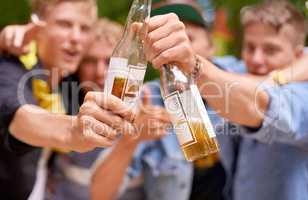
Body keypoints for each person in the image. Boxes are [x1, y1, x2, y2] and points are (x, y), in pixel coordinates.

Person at [141, 1, 308, 200]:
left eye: (271, 50)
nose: (256, 59)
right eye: (250, 47)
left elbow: (259, 105)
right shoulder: (235, 71)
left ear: (298, 55)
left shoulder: (301, 96)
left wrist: (193, 65)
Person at [0, 0, 136, 199]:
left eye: (85, 28)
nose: (75, 38)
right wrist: (72, 131)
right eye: (64, 24)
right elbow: (18, 115)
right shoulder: (10, 67)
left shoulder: (68, 80)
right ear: (36, 25)